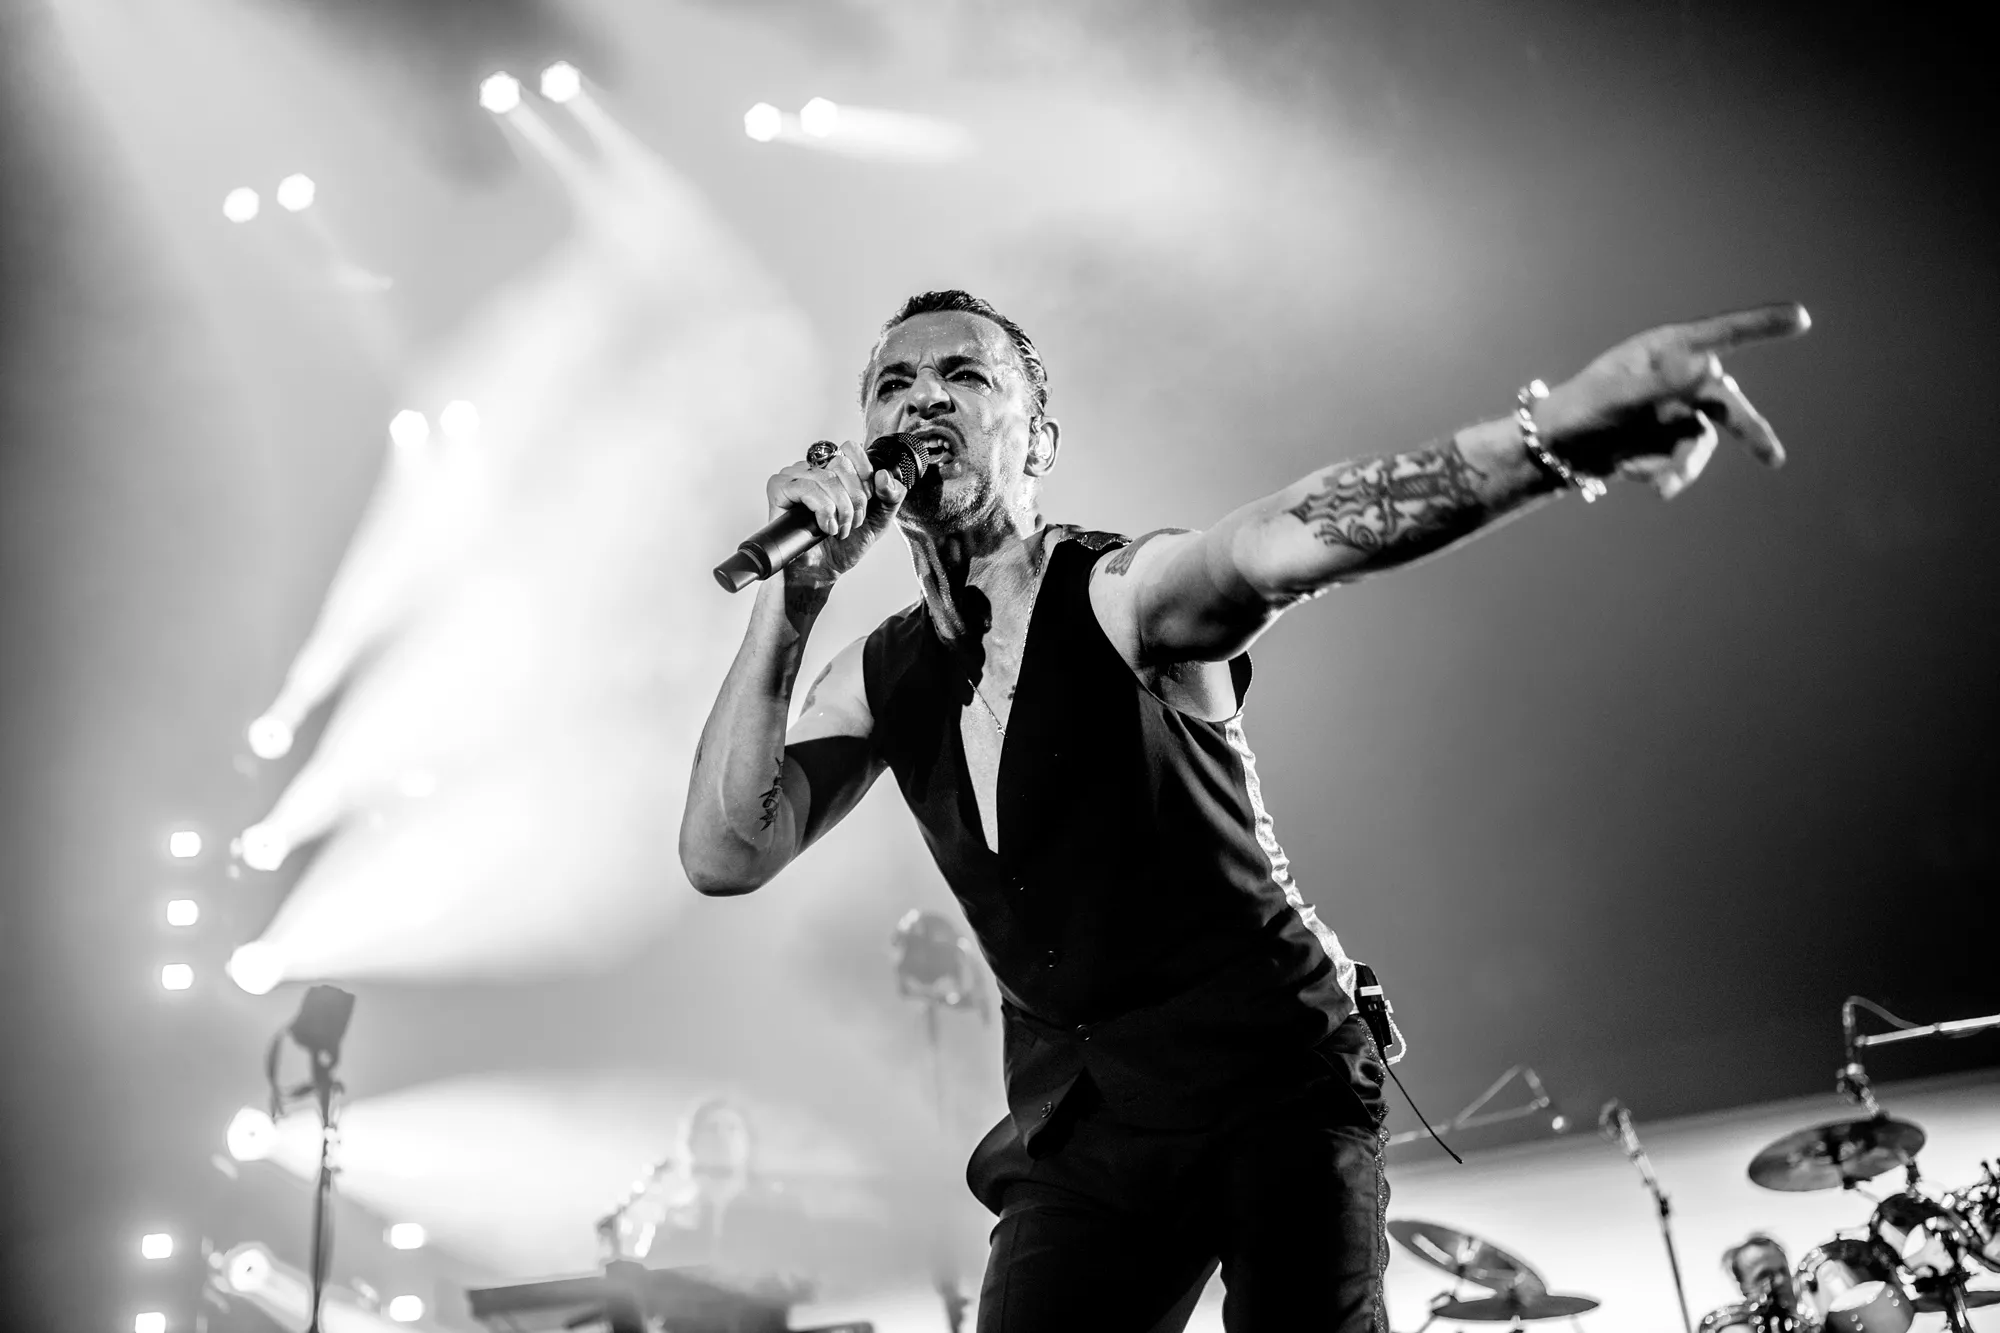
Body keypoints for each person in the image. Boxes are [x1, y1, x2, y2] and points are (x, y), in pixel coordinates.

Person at [680, 289, 1808, 1331]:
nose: (923, 399)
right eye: (893, 383)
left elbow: (1288, 537)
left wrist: (1550, 436)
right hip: (1082, 1117)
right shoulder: (881, 675)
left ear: (1038, 440)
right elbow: (727, 850)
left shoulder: (1123, 592)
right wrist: (796, 600)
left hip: (1269, 1076)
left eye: (963, 376)